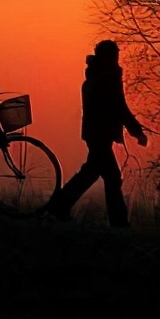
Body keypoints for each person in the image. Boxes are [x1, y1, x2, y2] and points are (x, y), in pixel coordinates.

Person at [45, 40, 148, 227]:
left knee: (91, 173)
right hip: (101, 134)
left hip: (93, 133)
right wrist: (137, 131)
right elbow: (119, 106)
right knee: (112, 177)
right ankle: (119, 222)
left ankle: (58, 206)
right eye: (115, 56)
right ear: (110, 57)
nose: (117, 60)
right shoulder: (108, 78)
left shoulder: (93, 77)